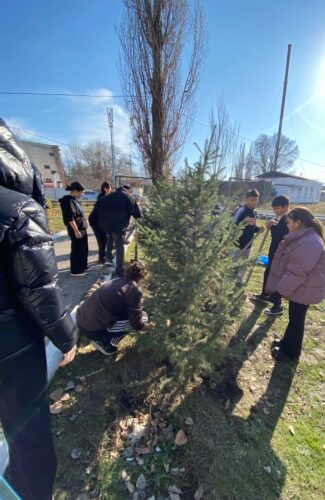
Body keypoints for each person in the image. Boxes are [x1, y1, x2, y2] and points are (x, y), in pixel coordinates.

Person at [0, 118, 77, 499]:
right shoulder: (17, 209)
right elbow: (41, 291)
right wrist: (67, 338)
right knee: (30, 436)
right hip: (12, 349)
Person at [265, 207, 325, 360]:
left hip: (305, 288)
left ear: (298, 223)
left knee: (297, 320)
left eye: (289, 222)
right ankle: (287, 343)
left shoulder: (309, 242)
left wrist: (279, 291)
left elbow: (297, 272)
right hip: (303, 287)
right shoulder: (306, 238)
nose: (287, 225)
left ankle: (291, 352)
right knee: (295, 318)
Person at [76, 261, 153, 356]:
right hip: (94, 330)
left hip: (81, 319)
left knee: (132, 314)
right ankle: (105, 342)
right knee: (144, 317)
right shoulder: (134, 291)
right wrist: (151, 327)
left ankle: (100, 336)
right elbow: (137, 325)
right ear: (140, 278)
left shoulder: (115, 281)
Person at [252, 194, 290, 315]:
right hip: (274, 251)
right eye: (274, 209)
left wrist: (272, 227)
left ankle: (277, 304)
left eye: (277, 208)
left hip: (281, 253)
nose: (275, 211)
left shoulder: (288, 219)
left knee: (276, 276)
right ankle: (265, 294)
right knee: (268, 272)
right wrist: (273, 224)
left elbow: (280, 236)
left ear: (286, 207)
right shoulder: (280, 218)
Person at [96, 184, 142, 277]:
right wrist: (137, 204)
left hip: (106, 224)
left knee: (110, 239)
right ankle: (119, 270)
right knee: (119, 246)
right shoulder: (128, 197)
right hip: (118, 226)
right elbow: (137, 214)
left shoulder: (109, 196)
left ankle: (108, 260)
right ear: (129, 190)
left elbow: (98, 205)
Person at [59, 182, 88, 276]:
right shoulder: (67, 201)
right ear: (75, 191)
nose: (82, 194)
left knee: (83, 248)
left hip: (81, 228)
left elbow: (80, 213)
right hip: (76, 229)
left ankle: (82, 267)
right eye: (81, 192)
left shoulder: (74, 200)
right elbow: (70, 218)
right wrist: (76, 231)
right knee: (77, 249)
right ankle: (76, 270)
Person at [233, 189, 262, 283]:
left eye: (256, 200)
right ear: (246, 199)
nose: (254, 202)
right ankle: (230, 284)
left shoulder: (252, 212)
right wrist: (243, 223)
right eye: (252, 200)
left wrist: (258, 229)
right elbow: (234, 226)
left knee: (243, 266)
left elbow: (251, 227)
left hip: (248, 245)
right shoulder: (242, 211)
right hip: (238, 245)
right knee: (234, 266)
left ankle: (239, 283)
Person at [88, 181, 112, 263]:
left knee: (105, 238)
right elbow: (103, 212)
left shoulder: (106, 197)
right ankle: (101, 258)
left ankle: (104, 255)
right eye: (109, 188)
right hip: (95, 221)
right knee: (102, 239)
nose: (110, 190)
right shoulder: (101, 197)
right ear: (105, 188)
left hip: (100, 221)